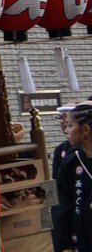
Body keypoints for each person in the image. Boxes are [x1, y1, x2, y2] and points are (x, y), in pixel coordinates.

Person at [55, 101, 92, 252]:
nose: (67, 131)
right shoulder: (70, 160)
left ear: (86, 130)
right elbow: (62, 203)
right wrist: (64, 244)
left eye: (70, 126)